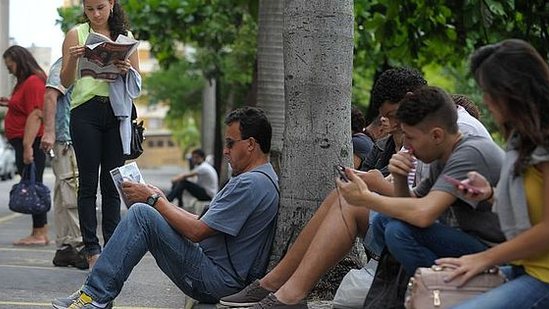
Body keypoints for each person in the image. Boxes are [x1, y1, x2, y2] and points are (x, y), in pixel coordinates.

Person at [218, 67, 427, 309]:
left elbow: (425, 205)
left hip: (416, 233)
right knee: (343, 194)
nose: (392, 124)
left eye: (393, 115)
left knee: (348, 201)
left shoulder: (448, 134)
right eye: (387, 118)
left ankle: (286, 292)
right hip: (405, 225)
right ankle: (276, 284)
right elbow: (411, 191)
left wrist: (160, 203)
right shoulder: (415, 136)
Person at [52, 107, 279, 309]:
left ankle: (94, 297)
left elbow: (196, 232)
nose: (225, 151)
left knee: (142, 215)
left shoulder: (250, 183)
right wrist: (162, 199)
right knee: (146, 212)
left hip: (217, 281)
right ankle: (95, 295)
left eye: (231, 143)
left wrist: (153, 201)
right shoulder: (261, 178)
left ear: (251, 144)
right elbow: (202, 221)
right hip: (220, 274)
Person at [338, 86, 505, 279]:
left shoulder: (469, 153)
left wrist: (366, 199)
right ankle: (425, 287)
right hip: (468, 238)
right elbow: (414, 202)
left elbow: (423, 215)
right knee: (385, 221)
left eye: (411, 138)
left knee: (398, 232)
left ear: (436, 135)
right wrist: (400, 178)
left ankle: (443, 290)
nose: (406, 146)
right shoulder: (442, 153)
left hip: (494, 249)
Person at [435, 39, 549, 308]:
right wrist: (489, 194)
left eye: (490, 91)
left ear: (513, 91)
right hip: (527, 269)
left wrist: (483, 258)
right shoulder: (522, 141)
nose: (485, 100)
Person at [60, 0, 140, 268]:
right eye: (90, 8)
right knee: (88, 184)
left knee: (112, 184)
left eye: (101, 7)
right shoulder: (76, 34)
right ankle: (92, 250)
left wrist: (127, 70)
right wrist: (74, 58)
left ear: (112, 4)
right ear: (84, 7)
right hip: (86, 112)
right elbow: (65, 81)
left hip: (117, 113)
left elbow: (137, 83)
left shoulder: (125, 38)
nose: (95, 14)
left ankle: (113, 247)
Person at [40, 58, 88, 269]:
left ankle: (64, 247)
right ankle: (79, 245)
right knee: (71, 191)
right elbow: (50, 96)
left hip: (69, 138)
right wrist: (49, 132)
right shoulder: (66, 63)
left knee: (63, 191)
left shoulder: (83, 62)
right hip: (66, 139)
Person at [1, 45, 48, 246]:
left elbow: (36, 114)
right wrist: (11, 103)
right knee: (31, 185)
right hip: (24, 142)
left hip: (30, 142)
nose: (8, 68)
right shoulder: (25, 83)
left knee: (33, 186)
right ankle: (38, 232)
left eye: (8, 63)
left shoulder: (33, 81)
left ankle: (39, 233)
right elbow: (26, 108)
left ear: (18, 60)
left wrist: (28, 147)